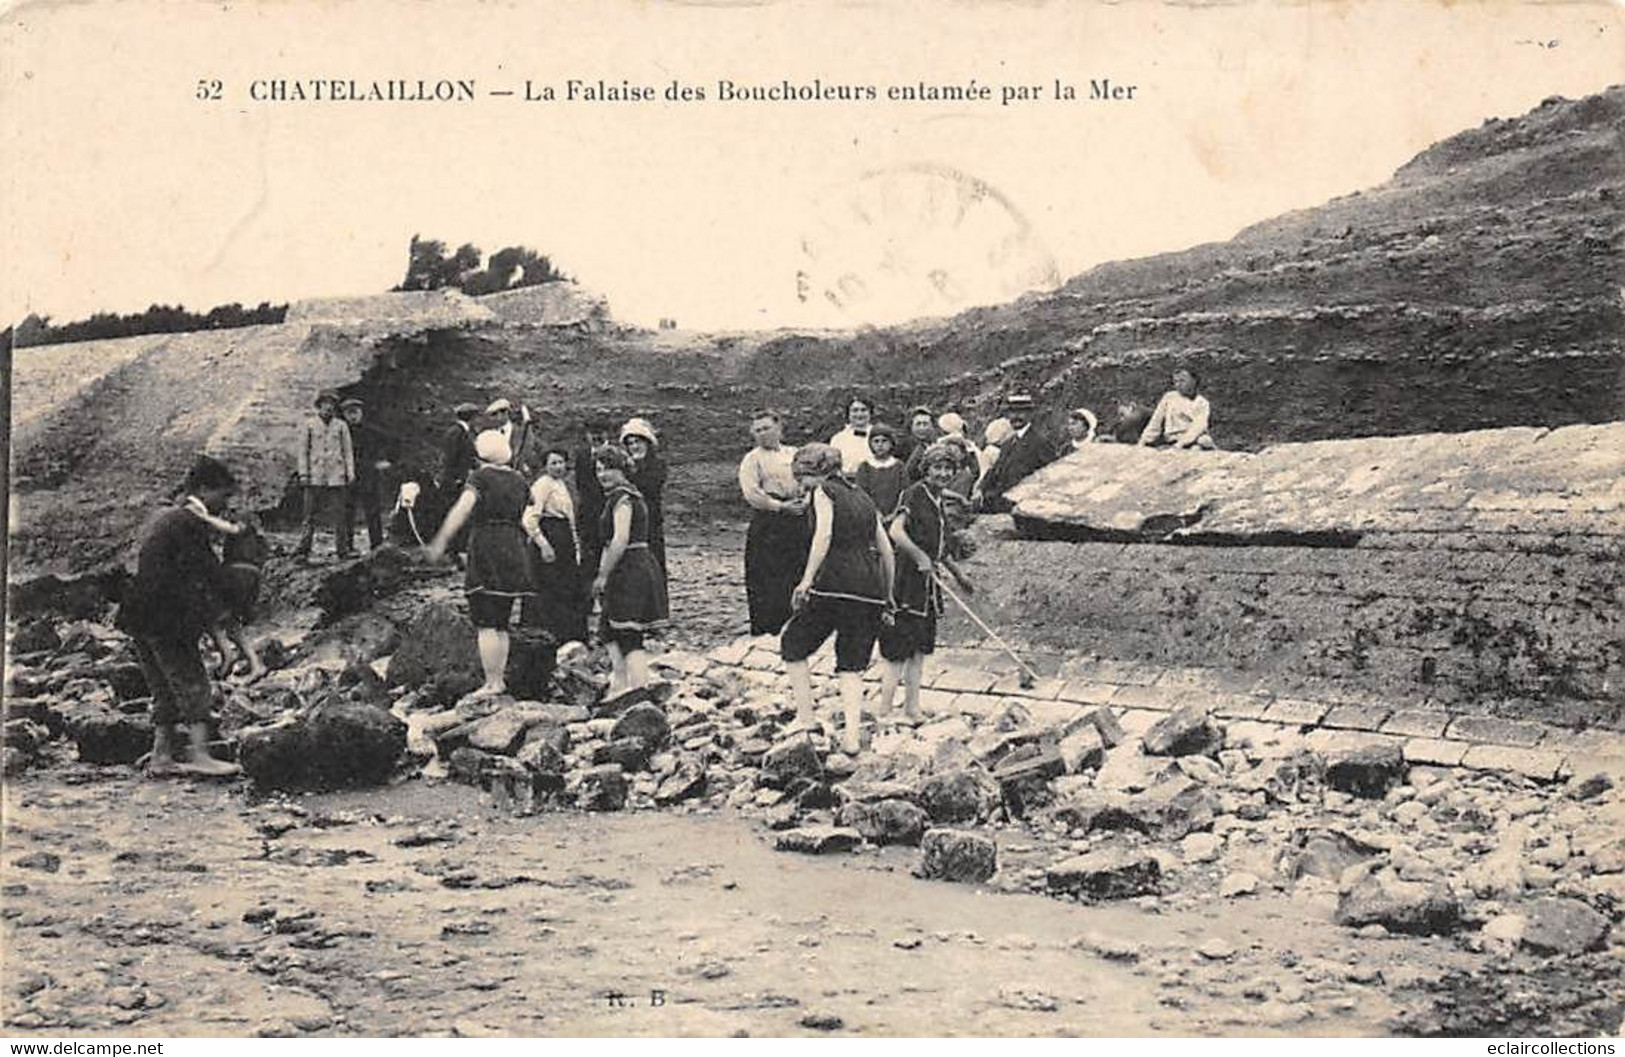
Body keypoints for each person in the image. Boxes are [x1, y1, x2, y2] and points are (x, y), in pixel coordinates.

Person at [114, 455, 243, 777]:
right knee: (193, 684)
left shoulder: (165, 518)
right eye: (223, 495)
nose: (225, 505)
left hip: (139, 616)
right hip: (165, 618)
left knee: (163, 688)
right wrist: (224, 635)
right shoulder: (189, 523)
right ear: (203, 489)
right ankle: (200, 755)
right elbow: (205, 577)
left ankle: (162, 757)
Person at [780, 443, 896, 755]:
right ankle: (852, 738)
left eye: (802, 478)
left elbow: (824, 536)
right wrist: (888, 595)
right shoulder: (863, 497)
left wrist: (806, 581)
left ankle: (806, 720)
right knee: (852, 664)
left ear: (814, 473)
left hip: (835, 583)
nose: (801, 487)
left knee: (792, 643)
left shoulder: (824, 492)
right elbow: (886, 550)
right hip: (870, 588)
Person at [425, 430, 535, 700]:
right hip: (514, 546)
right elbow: (530, 511)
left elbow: (462, 509)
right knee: (502, 621)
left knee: (485, 620)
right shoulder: (520, 479)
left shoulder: (480, 478)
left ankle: (492, 682)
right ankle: (499, 682)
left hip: (487, 545)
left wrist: (441, 540)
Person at [878, 443, 969, 727]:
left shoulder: (938, 500)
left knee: (919, 648)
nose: (942, 473)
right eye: (937, 468)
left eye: (947, 468)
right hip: (906, 580)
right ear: (926, 469)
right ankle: (884, 711)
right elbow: (895, 531)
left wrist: (958, 575)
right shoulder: (915, 493)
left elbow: (938, 549)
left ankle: (912, 708)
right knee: (898, 648)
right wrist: (918, 557)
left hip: (926, 585)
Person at [590, 445, 669, 700]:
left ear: (621, 469)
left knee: (628, 633)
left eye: (608, 469)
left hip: (630, 566)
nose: (602, 475)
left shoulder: (623, 498)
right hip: (627, 565)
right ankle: (621, 682)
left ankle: (638, 690)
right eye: (599, 470)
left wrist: (603, 574)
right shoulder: (622, 496)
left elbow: (620, 539)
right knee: (609, 629)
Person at [737, 410, 810, 636]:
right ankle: (767, 629)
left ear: (779, 428)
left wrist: (805, 501)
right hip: (769, 522)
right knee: (767, 576)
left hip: (797, 518)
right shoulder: (752, 459)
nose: (762, 434)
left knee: (796, 569)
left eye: (766, 428)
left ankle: (796, 627)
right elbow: (752, 493)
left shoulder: (795, 453)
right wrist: (780, 507)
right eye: (757, 430)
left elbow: (809, 479)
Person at [520, 447, 588, 647]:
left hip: (563, 540)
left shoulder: (562, 485)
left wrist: (575, 548)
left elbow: (570, 520)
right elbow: (529, 518)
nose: (558, 467)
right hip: (549, 538)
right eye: (553, 463)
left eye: (561, 462)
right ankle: (545, 637)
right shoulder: (542, 485)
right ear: (545, 466)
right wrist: (543, 545)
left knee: (567, 588)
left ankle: (568, 636)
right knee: (547, 589)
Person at [294, 390, 356, 560]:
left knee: (339, 514)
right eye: (325, 403)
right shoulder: (309, 425)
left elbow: (348, 451)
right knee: (309, 514)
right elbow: (303, 451)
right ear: (319, 405)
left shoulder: (341, 426)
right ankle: (303, 549)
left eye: (331, 403)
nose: (328, 407)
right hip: (315, 475)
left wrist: (350, 472)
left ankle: (342, 550)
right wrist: (304, 474)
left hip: (336, 475)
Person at [974, 393, 1061, 513]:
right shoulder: (1007, 444)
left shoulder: (1040, 443)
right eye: (1012, 412)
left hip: (1025, 509)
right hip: (1001, 506)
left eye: (1021, 412)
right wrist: (981, 489)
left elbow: (1051, 479)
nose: (1015, 416)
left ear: (1030, 414)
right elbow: (995, 472)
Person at [340, 397, 395, 553]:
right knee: (347, 512)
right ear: (344, 415)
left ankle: (376, 545)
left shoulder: (372, 431)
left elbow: (393, 442)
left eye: (355, 412)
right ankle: (347, 546)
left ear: (361, 413)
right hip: (347, 477)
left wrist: (386, 461)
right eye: (349, 413)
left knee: (372, 510)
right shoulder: (339, 432)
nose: (353, 416)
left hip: (368, 476)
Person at [619, 417, 668, 571]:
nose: (634, 446)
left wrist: (633, 471)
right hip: (629, 523)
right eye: (630, 443)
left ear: (647, 442)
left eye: (638, 442)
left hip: (651, 523)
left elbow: (649, 487)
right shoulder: (624, 467)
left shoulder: (658, 465)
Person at [436, 402, 481, 557]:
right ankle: (453, 550)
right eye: (476, 417)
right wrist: (455, 478)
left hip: (460, 480)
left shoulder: (464, 432)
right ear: (472, 418)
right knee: (453, 513)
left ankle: (458, 548)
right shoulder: (457, 433)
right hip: (453, 482)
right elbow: (450, 459)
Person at [573, 419, 612, 596]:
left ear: (607, 434)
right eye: (591, 432)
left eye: (600, 432)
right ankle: (586, 600)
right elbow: (581, 486)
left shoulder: (616, 454)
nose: (595, 436)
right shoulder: (582, 455)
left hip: (611, 511)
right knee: (589, 559)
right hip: (589, 516)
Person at [1139, 369, 1216, 449]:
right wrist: (1144, 440)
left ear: (1194, 381)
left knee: (1201, 444)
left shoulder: (1202, 403)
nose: (1178, 384)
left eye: (1182, 381)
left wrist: (1181, 444)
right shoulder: (1169, 397)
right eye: (1176, 381)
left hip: (1193, 438)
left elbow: (1198, 426)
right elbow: (1156, 421)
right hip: (1172, 438)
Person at [854, 423, 906, 518]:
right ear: (870, 444)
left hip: (895, 515)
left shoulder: (899, 466)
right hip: (870, 515)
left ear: (891, 443)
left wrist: (895, 513)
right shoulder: (865, 467)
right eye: (876, 441)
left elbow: (904, 492)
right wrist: (875, 512)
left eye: (884, 441)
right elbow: (862, 494)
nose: (880, 445)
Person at [827, 395, 876, 478]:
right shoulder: (838, 439)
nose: (859, 414)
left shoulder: (880, 436)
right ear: (848, 414)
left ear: (870, 413)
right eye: (855, 410)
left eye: (863, 410)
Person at [487, 398, 536, 476]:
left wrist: (521, 465)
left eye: (495, 414)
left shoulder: (520, 431)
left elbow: (528, 448)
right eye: (492, 415)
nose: (493, 418)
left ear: (505, 413)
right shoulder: (491, 434)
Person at [901, 406, 940, 481]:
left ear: (932, 426)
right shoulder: (902, 446)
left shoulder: (937, 445)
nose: (922, 428)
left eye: (925, 424)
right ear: (911, 426)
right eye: (918, 424)